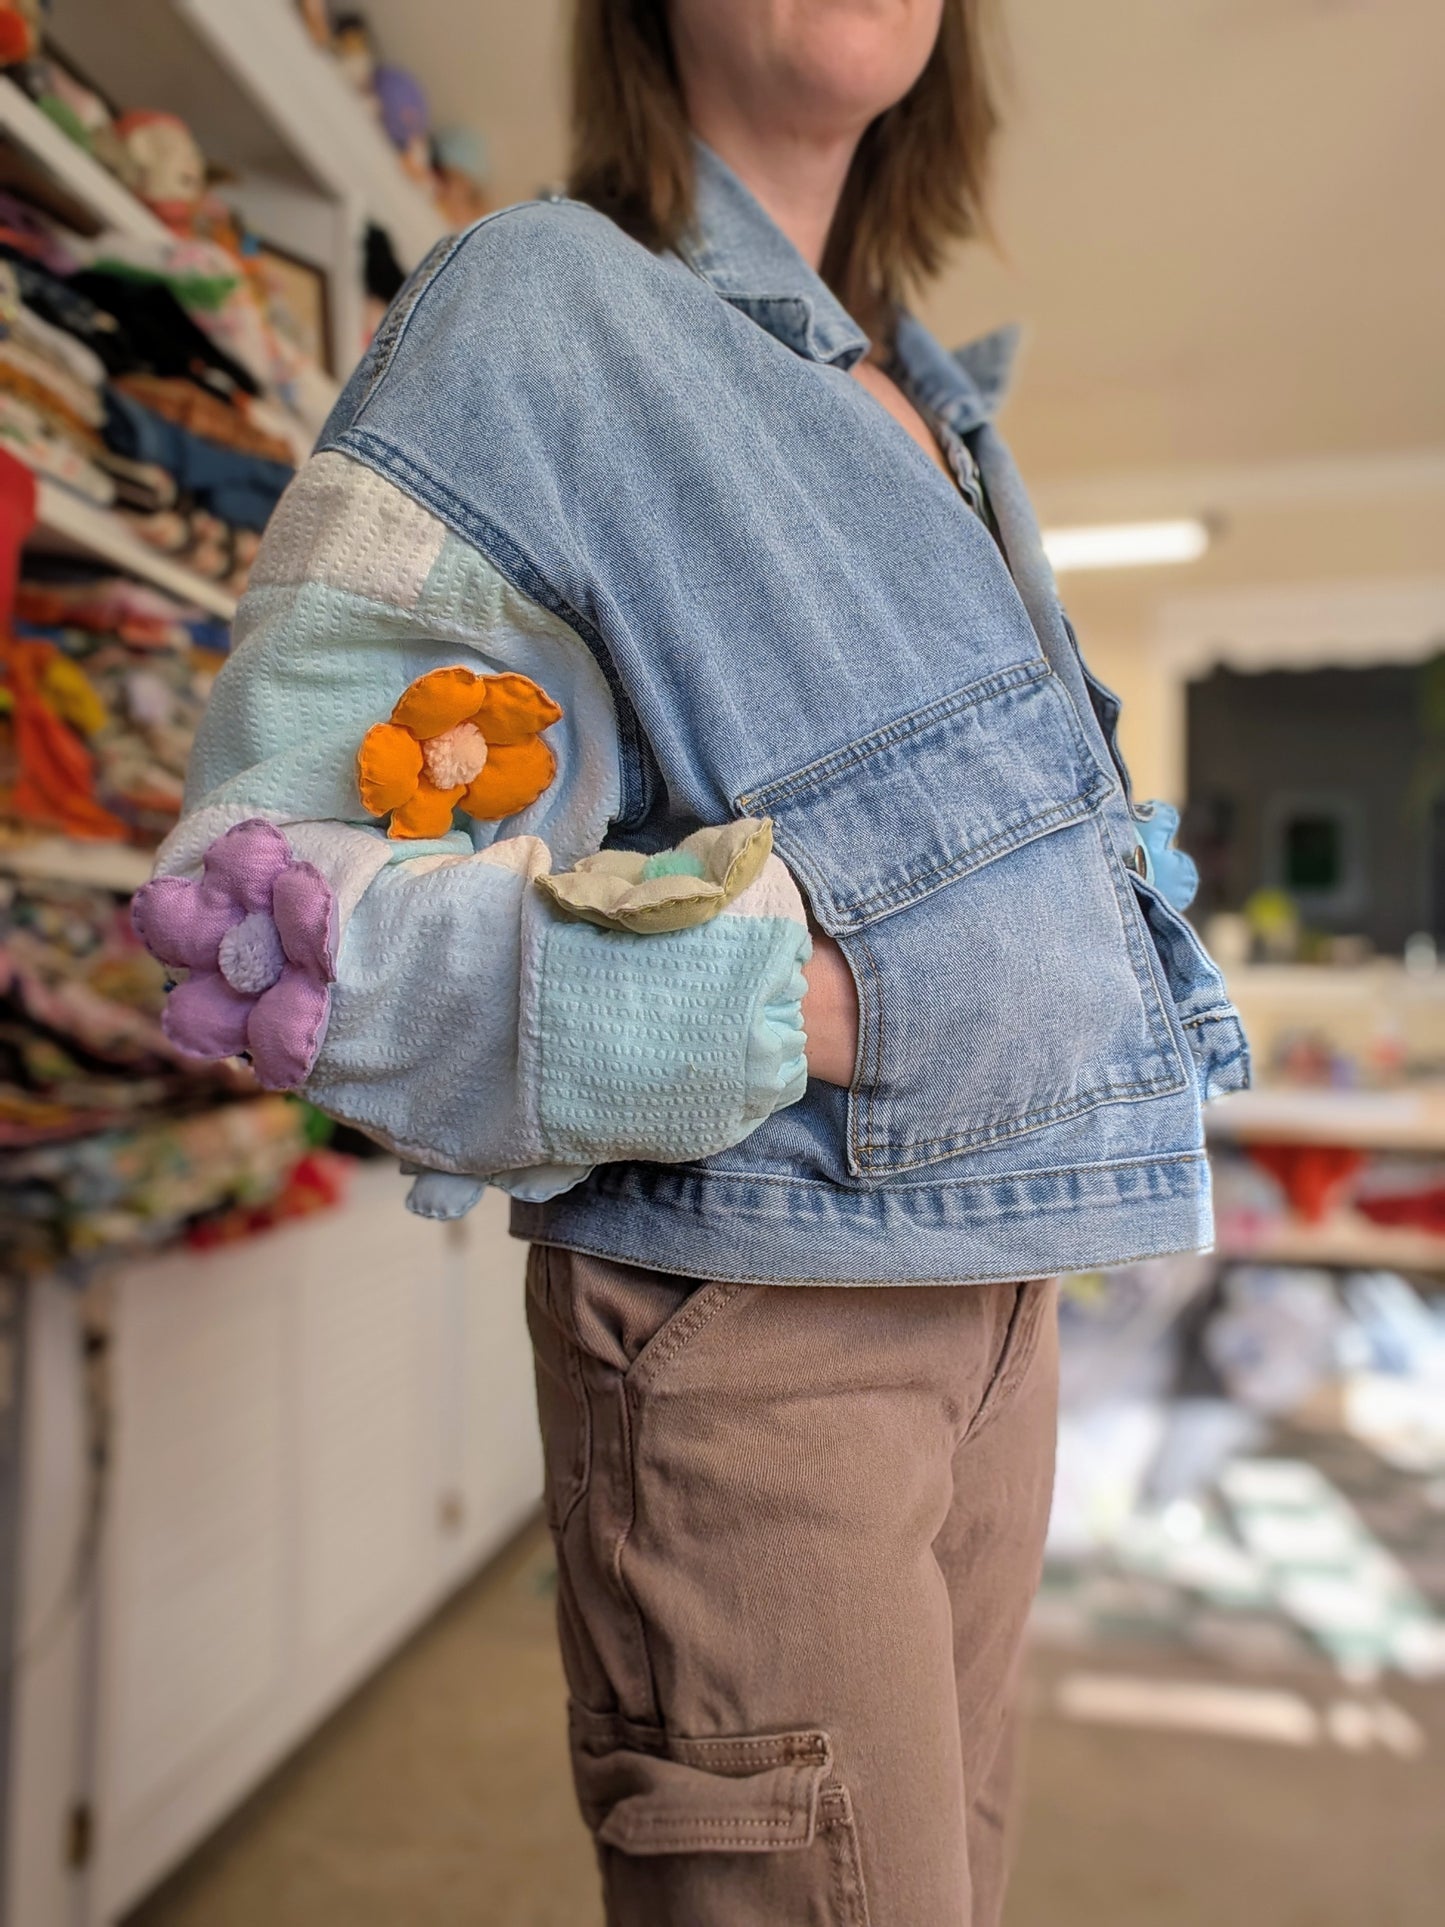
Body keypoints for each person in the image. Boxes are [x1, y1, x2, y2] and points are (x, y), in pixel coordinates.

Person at [132, 1, 1248, 1919]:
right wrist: (789, 1003)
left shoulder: (932, 407)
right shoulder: (542, 309)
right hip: (761, 1327)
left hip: (1002, 1293)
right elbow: (265, 898)